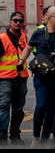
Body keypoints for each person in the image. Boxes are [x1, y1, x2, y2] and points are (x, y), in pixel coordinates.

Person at [20, 6, 55, 147]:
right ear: (49, 18)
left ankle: (44, 140)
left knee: (51, 110)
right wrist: (21, 60)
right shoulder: (38, 33)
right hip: (41, 77)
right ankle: (36, 137)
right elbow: (28, 47)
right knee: (40, 106)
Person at [0, 12, 29, 145]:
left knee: (18, 109)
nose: (18, 23)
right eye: (15, 20)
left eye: (20, 21)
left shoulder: (24, 37)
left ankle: (15, 135)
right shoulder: (2, 38)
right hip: (5, 79)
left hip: (21, 78)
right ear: (10, 22)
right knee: (4, 107)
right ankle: (2, 137)